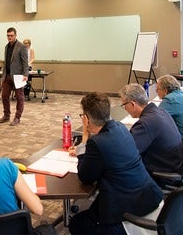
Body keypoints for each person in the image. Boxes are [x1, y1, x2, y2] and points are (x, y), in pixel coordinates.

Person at [68, 93, 163, 235]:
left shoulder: (96, 143)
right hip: (149, 198)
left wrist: (85, 139)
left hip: (128, 212)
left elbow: (85, 176)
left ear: (86, 119)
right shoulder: (120, 127)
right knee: (91, 212)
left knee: (76, 224)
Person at [119, 83, 183, 185]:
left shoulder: (146, 123)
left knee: (118, 166)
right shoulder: (160, 111)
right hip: (175, 164)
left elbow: (126, 153)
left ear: (132, 104)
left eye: (124, 105)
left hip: (163, 173)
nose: (125, 109)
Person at [0, 27, 29, 126]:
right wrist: (3, 75)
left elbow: (25, 62)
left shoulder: (21, 47)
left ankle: (17, 117)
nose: (9, 37)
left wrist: (25, 74)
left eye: (11, 35)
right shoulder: (6, 47)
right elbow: (7, 62)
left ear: (15, 35)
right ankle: (6, 115)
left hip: (18, 77)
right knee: (4, 96)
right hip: (7, 76)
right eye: (8, 36)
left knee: (19, 97)